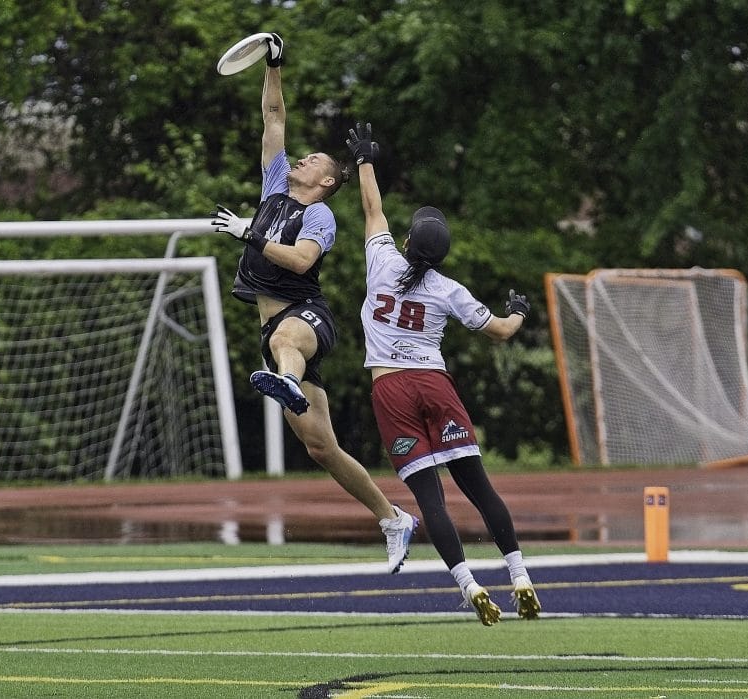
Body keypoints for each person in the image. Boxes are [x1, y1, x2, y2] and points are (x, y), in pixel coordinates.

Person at [210, 36, 418, 574]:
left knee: (284, 342)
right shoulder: (275, 184)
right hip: (273, 324)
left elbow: (301, 263)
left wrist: (247, 233)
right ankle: (393, 517)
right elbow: (273, 115)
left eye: (314, 160)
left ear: (325, 182)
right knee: (322, 449)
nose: (300, 158)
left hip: (306, 318)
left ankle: (284, 378)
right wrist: (274, 64)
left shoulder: (319, 217)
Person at [345, 122, 541, 625]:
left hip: (391, 389)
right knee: (479, 488)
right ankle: (519, 575)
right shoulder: (448, 290)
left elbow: (372, 211)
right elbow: (498, 331)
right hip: (435, 385)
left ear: (408, 241)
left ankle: (469, 585)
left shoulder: (382, 262)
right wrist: (518, 312)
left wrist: (366, 159)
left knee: (429, 498)